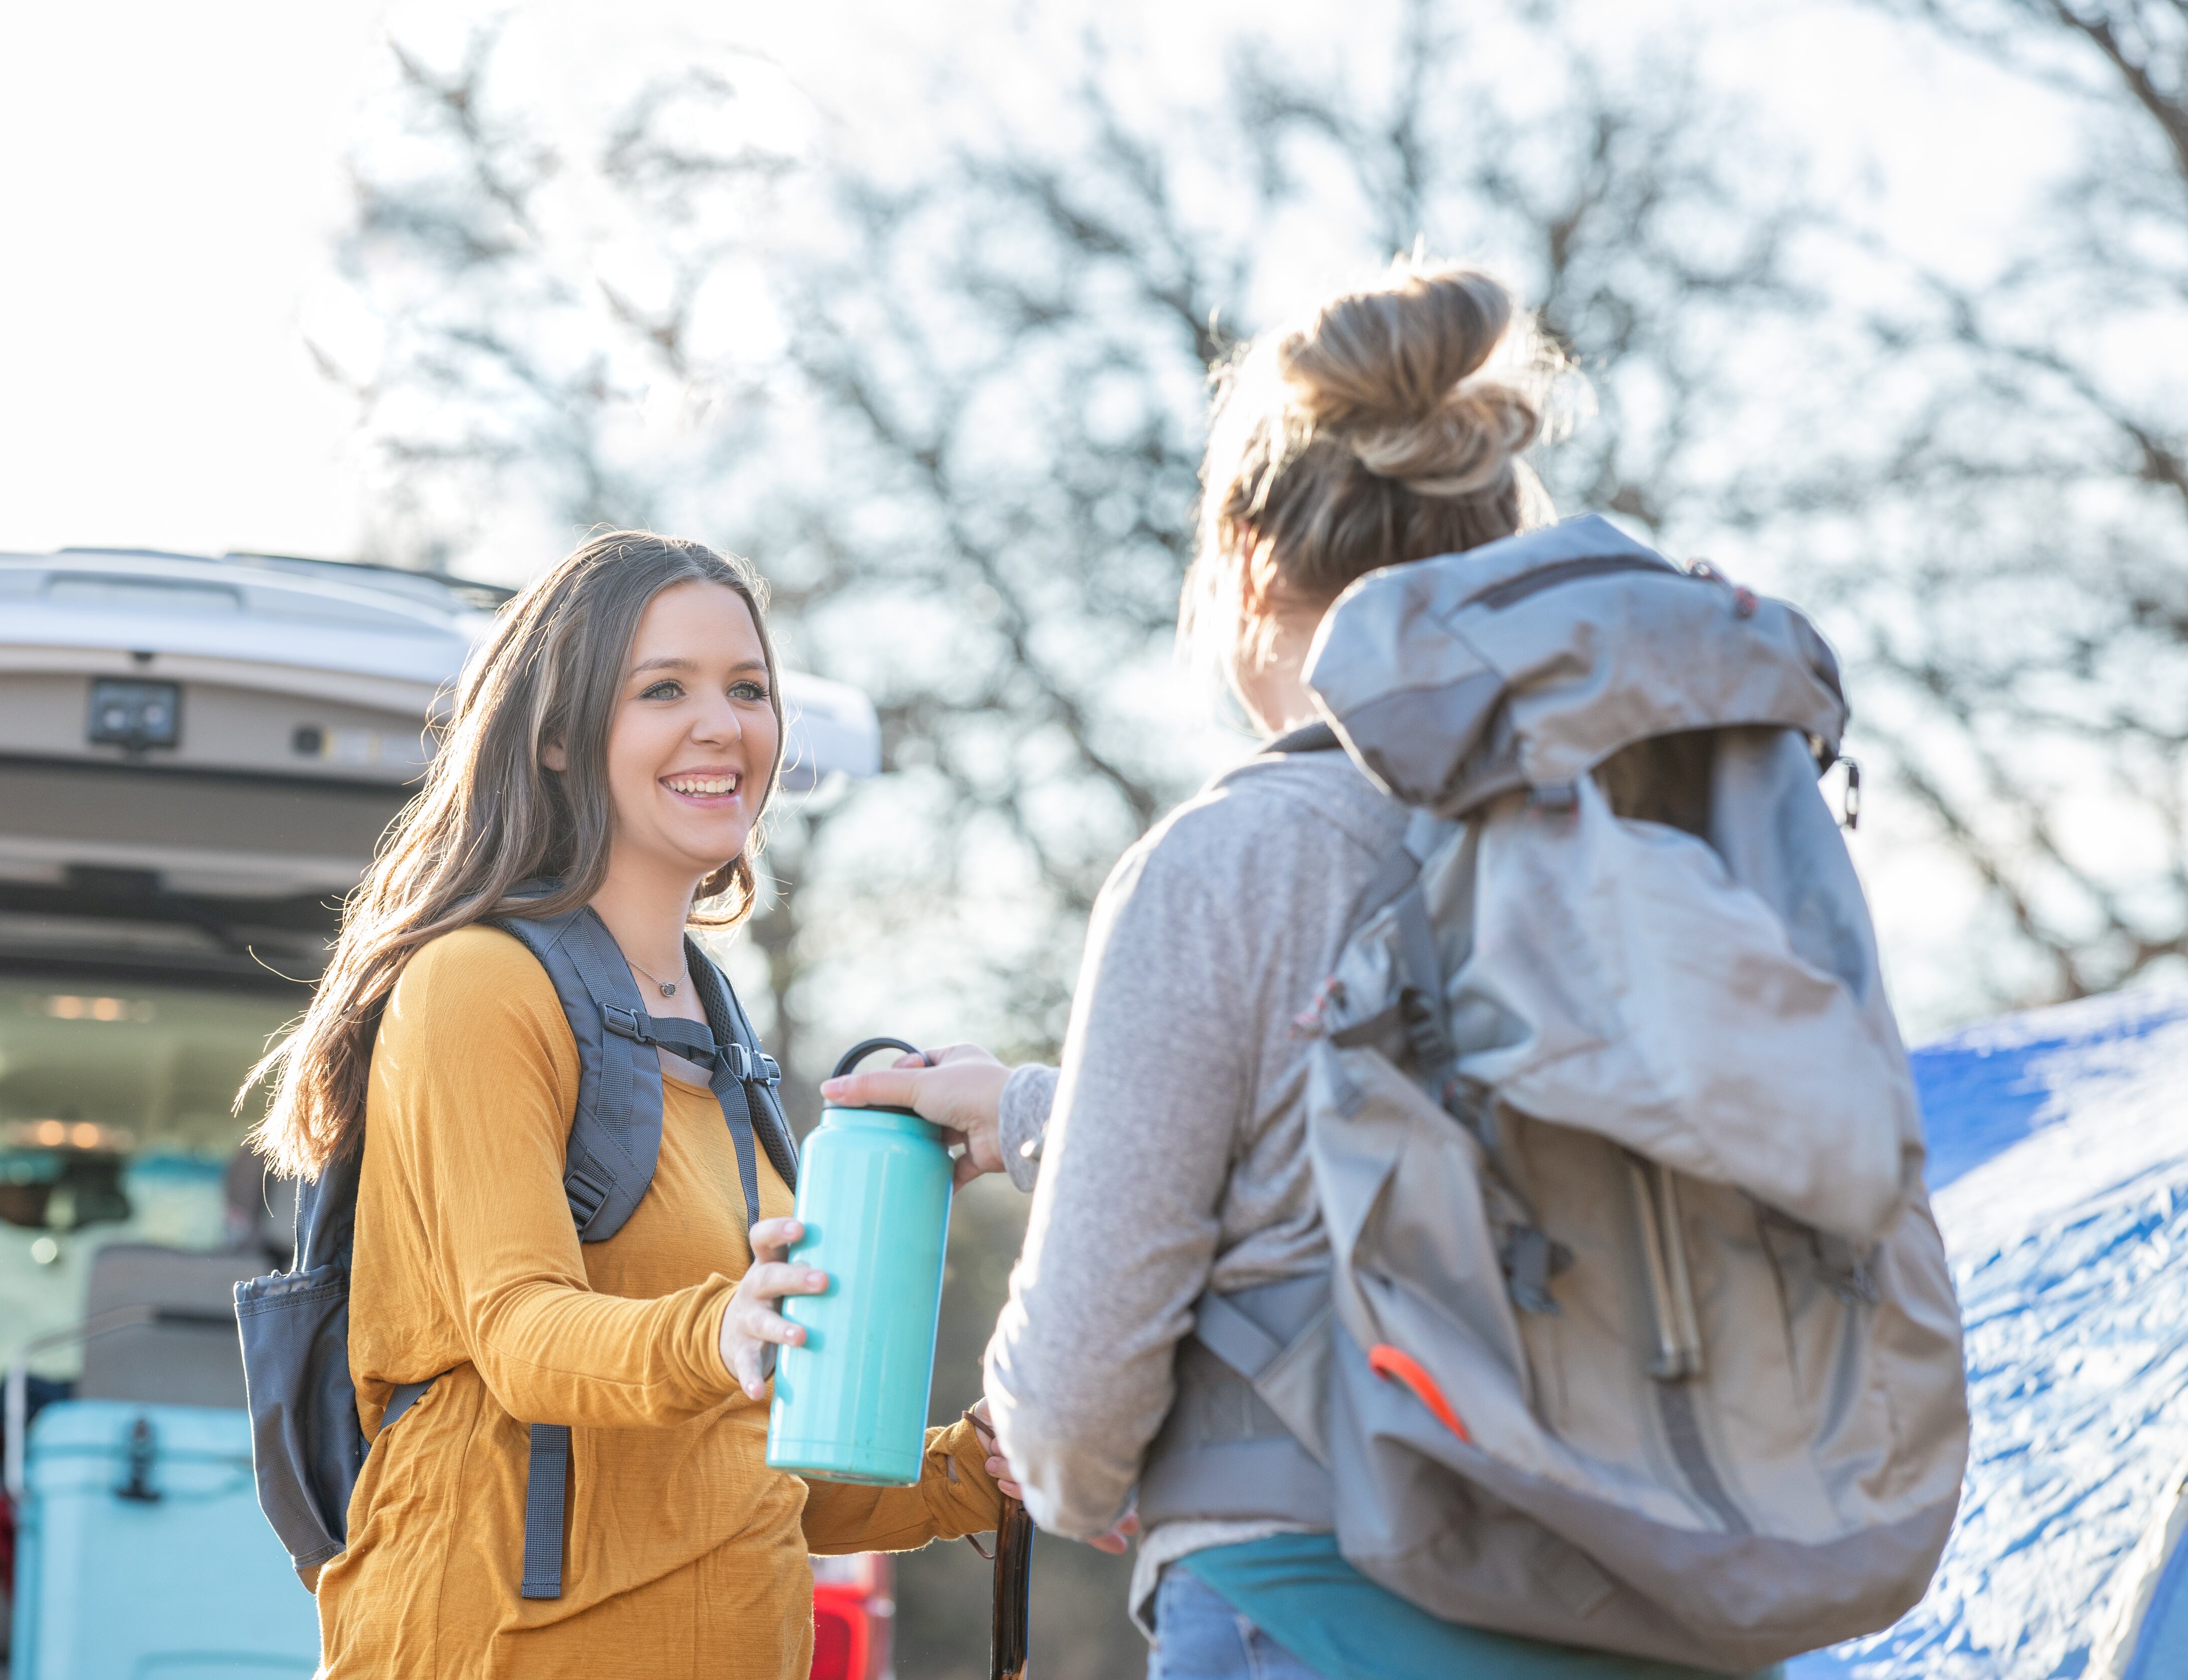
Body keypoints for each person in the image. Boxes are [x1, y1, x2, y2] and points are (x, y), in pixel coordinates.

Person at [822, 264, 1782, 1679]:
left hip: (1318, 1611)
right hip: (1666, 1609)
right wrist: (1034, 1110)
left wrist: (1089, 1452)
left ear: (1246, 556)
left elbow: (1073, 1417)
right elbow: (1429, 1151)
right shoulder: (1658, 833)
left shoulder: (1232, 859)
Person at [247, 532, 1004, 1678]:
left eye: (747, 688)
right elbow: (521, 1333)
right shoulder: (476, 982)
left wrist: (972, 1471)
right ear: (557, 735)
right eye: (664, 689)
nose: (722, 725)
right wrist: (723, 1326)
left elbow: (742, 1463)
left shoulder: (723, 1037)